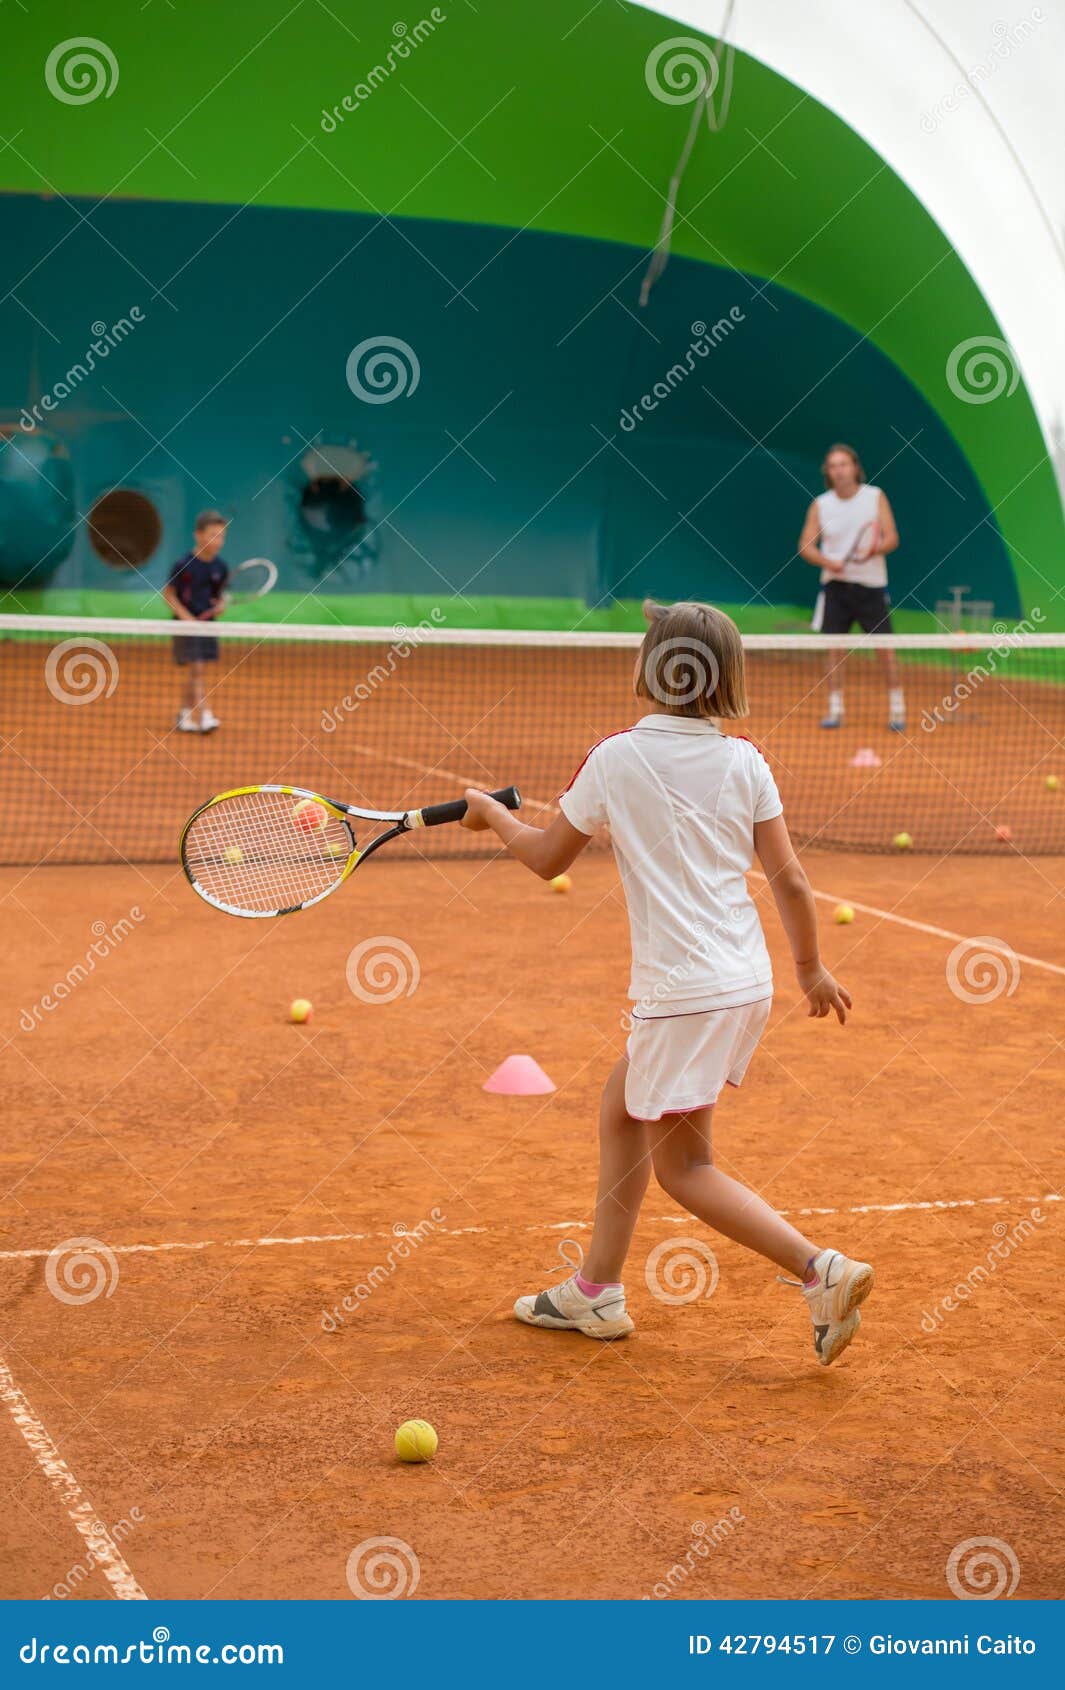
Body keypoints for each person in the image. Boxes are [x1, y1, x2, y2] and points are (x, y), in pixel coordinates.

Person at [461, 601, 874, 1367]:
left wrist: (492, 817)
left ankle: (820, 1270)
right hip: (740, 980)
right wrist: (810, 967)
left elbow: (548, 857)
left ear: (649, 667)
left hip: (683, 993)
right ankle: (596, 1290)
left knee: (684, 1167)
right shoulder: (745, 760)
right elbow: (789, 879)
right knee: (621, 1111)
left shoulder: (615, 757)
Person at [798, 443, 905, 731]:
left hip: (871, 586)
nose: (839, 470)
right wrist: (827, 562)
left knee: (886, 650)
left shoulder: (875, 497)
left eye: (844, 464)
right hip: (835, 588)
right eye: (833, 466)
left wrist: (874, 550)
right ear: (828, 473)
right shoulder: (821, 504)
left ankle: (897, 711)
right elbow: (805, 545)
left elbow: (892, 538)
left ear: (855, 468)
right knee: (834, 650)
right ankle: (835, 710)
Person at [162, 511, 230, 733]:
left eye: (221, 536)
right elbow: (168, 594)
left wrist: (220, 605)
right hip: (186, 625)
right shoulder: (184, 564)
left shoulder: (221, 567)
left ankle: (183, 715)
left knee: (195, 672)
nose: (217, 541)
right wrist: (186, 618)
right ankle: (205, 716)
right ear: (198, 535)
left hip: (207, 625)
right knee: (198, 669)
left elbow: (217, 598)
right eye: (213, 535)